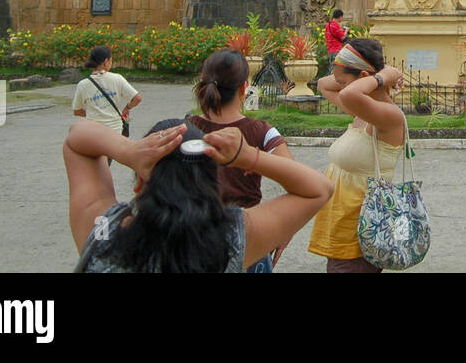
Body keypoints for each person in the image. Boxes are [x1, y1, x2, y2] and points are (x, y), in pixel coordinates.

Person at [64, 116, 333, 272]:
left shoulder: (103, 231)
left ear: (139, 182)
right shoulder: (234, 238)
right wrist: (248, 155)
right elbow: (318, 189)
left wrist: (128, 151)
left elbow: (77, 137)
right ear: (214, 182)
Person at [189, 48, 294, 272]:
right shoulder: (263, 132)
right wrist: (284, 227)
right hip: (248, 236)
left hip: (194, 236)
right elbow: (296, 179)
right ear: (244, 88)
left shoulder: (185, 129)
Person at [307, 37, 406, 273]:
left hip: (362, 231)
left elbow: (349, 94)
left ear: (362, 79)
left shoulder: (388, 116)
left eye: (344, 82)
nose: (340, 87)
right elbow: (323, 84)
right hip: (343, 227)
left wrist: (380, 78)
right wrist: (374, 75)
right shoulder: (364, 111)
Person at [71, 46, 141, 135]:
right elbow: (137, 98)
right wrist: (127, 108)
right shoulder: (117, 79)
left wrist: (94, 115)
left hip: (94, 133)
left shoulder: (83, 85)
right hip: (116, 131)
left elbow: (77, 111)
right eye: (111, 60)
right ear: (106, 62)